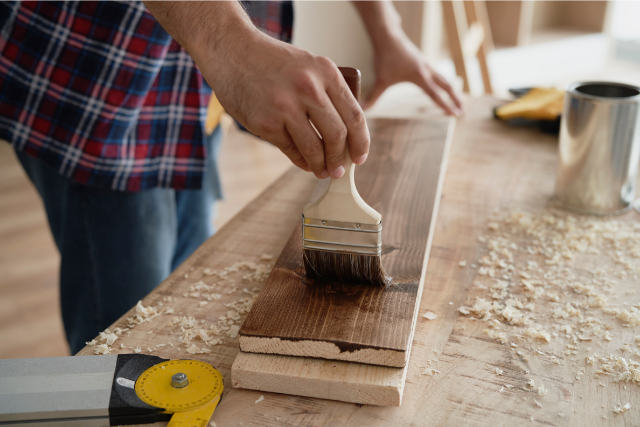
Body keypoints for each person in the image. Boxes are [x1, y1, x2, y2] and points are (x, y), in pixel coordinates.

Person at [0, 1, 461, 354]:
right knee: (125, 349)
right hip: (98, 72)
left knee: (186, 311)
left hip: (196, 79)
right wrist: (231, 45)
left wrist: (387, 31)